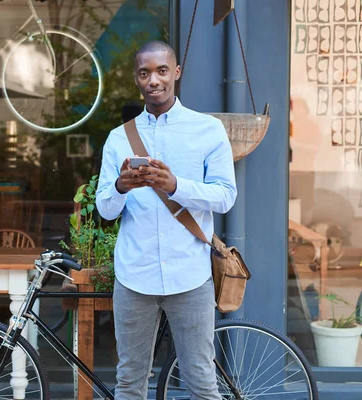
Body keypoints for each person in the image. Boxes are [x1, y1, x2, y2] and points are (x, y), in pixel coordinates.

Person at [95, 40, 237, 399]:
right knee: (129, 382)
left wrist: (176, 186)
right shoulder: (117, 139)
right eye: (145, 73)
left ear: (176, 72)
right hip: (134, 277)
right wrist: (120, 186)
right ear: (137, 79)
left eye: (161, 70)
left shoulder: (207, 130)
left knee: (202, 381)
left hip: (189, 275)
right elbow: (105, 210)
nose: (153, 80)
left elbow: (225, 197)